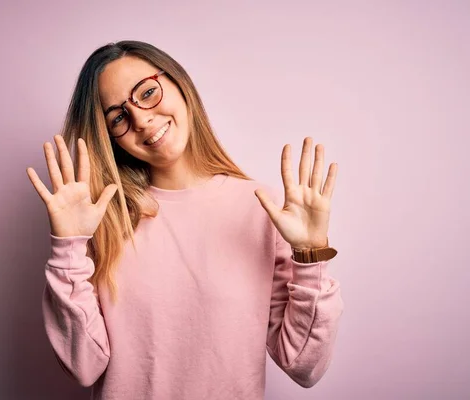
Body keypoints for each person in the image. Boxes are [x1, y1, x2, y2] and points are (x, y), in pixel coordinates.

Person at [26, 40, 344, 400]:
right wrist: (68, 249)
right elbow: (83, 366)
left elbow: (305, 365)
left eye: (147, 92)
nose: (142, 119)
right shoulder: (104, 221)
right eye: (117, 117)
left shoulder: (260, 207)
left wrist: (311, 254)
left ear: (180, 84)